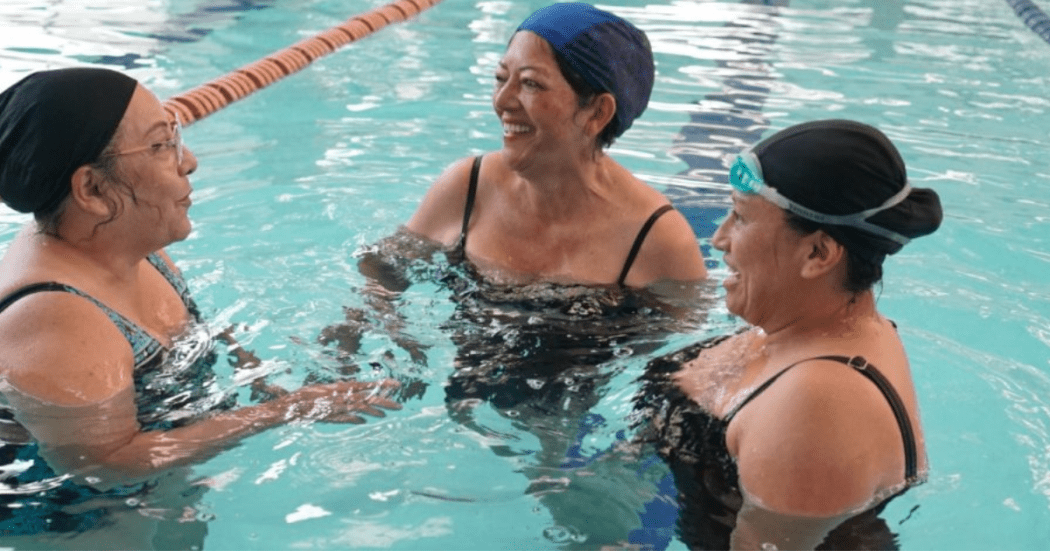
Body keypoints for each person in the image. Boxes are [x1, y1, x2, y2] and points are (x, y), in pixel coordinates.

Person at [0, 68, 398, 547]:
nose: (188, 161)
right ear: (92, 191)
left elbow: (193, 332)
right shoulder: (57, 318)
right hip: (75, 518)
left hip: (152, 481)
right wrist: (289, 410)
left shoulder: (126, 243)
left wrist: (257, 376)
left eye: (174, 136)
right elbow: (106, 464)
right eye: (158, 146)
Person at [632, 119, 943, 550]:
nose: (720, 238)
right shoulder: (820, 331)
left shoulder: (816, 404)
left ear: (818, 253)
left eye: (740, 217)